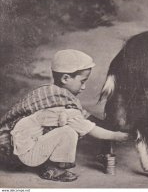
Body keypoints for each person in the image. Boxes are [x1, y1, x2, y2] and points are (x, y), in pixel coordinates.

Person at [6, 49, 128, 182]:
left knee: (64, 127)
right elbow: (88, 127)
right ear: (65, 78)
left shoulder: (50, 94)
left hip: (20, 147)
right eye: (82, 81)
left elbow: (84, 115)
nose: (84, 87)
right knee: (70, 131)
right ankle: (52, 168)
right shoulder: (63, 105)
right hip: (25, 153)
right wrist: (117, 136)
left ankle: (46, 163)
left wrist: (107, 124)